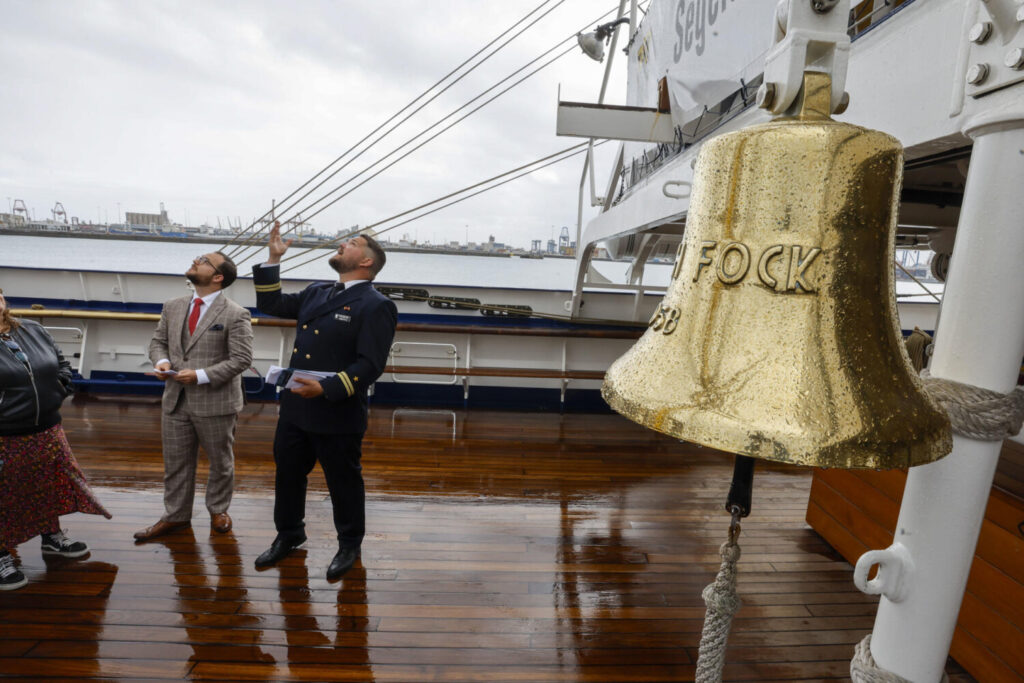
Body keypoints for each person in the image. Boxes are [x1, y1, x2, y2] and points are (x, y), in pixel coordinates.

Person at [251, 222, 397, 580]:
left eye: (352, 243)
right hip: (297, 407)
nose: (342, 244)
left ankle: (349, 543)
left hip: (338, 409)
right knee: (288, 474)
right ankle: (289, 534)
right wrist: (273, 258)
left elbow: (370, 364)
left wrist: (329, 389)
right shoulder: (317, 291)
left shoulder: (376, 305)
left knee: (343, 481)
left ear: (365, 262)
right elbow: (271, 303)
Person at [133, 252, 254, 541]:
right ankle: (175, 516)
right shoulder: (172, 307)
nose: (195, 261)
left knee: (220, 461)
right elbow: (158, 342)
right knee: (175, 462)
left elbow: (242, 359)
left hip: (215, 401)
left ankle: (218, 510)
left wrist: (199, 375)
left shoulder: (235, 314)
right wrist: (161, 362)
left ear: (217, 277)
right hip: (175, 399)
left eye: (203, 260)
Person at [0, 287, 111, 591]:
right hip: (4, 433)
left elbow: (61, 366)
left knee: (48, 483)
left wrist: (59, 389)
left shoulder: (32, 329)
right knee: (4, 493)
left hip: (47, 427)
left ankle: (52, 536)